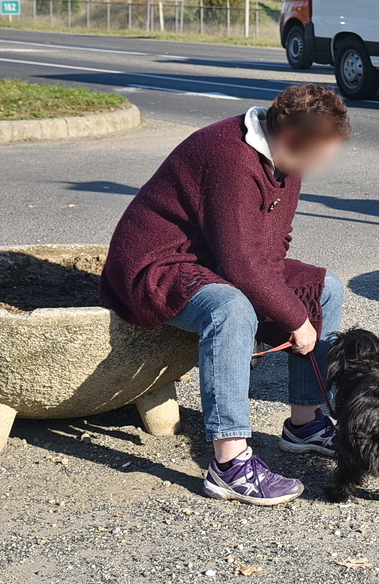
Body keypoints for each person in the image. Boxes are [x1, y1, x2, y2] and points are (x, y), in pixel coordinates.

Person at [100, 84, 351, 506]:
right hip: (159, 262)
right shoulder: (230, 156)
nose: (318, 165)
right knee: (232, 309)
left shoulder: (285, 156)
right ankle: (230, 465)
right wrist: (292, 317)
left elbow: (271, 244)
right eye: (316, 155)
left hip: (214, 257)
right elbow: (239, 263)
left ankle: (305, 423)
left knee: (325, 289)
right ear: (290, 139)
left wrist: (282, 303)